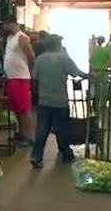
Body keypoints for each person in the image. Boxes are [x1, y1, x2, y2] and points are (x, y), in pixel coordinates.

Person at [30, 35, 89, 169]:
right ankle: (66, 154)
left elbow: (35, 80)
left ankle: (36, 156)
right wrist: (89, 76)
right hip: (60, 101)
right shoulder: (64, 58)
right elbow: (76, 73)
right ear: (57, 45)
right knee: (62, 130)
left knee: (41, 130)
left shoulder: (40, 59)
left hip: (44, 101)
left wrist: (37, 96)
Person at [2, 14, 36, 146]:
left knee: (25, 109)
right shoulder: (10, 38)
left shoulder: (22, 38)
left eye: (5, 25)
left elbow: (31, 57)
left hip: (21, 78)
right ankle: (21, 134)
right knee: (16, 108)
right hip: (12, 78)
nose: (4, 27)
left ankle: (29, 137)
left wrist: (30, 73)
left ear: (12, 23)